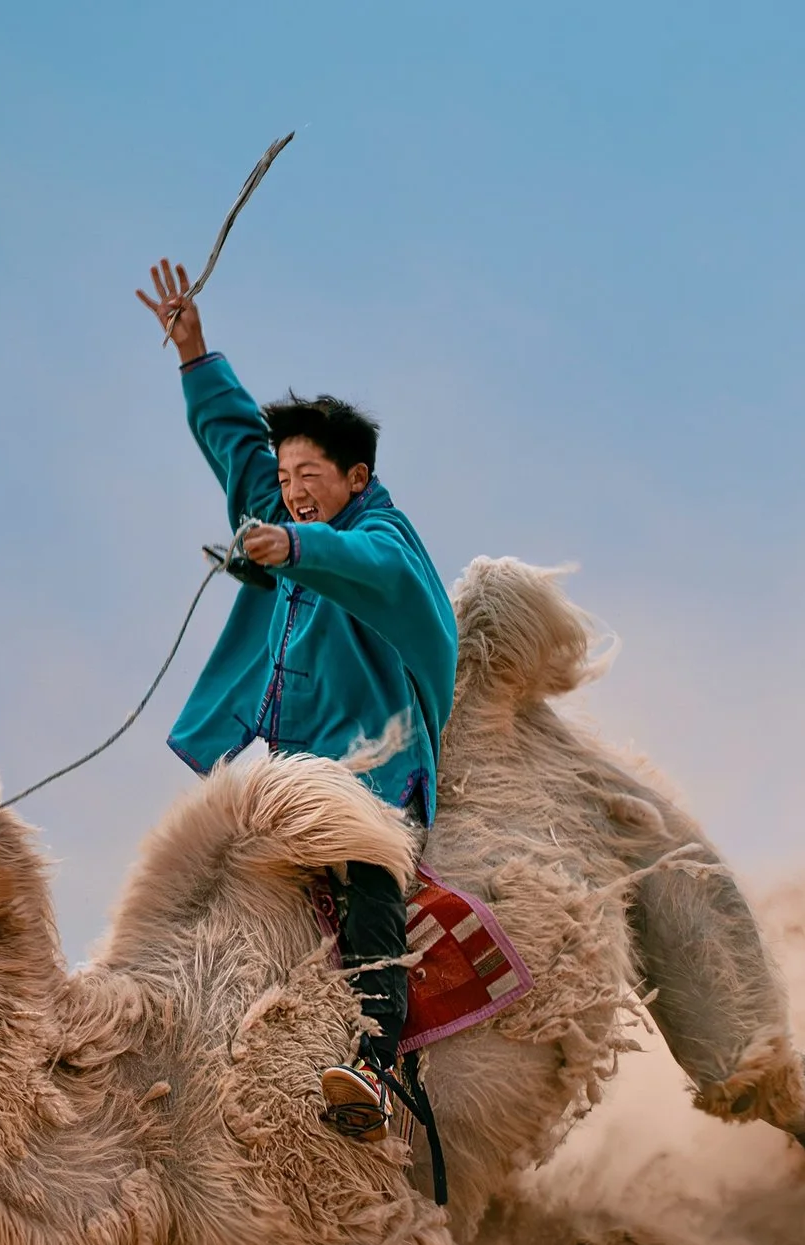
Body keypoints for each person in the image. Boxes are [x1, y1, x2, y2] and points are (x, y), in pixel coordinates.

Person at [136, 258, 458, 1143]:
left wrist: (297, 543)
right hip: (294, 776)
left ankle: (377, 1064)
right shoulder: (282, 518)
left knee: (365, 874)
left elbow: (378, 572)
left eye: (308, 472)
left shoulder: (378, 536)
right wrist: (196, 356)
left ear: (356, 477)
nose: (290, 486)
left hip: (377, 768)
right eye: (284, 477)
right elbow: (239, 447)